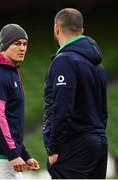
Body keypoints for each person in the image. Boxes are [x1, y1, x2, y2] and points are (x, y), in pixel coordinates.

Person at [43, 8, 108, 179]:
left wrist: (53, 147)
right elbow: (103, 110)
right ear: (82, 31)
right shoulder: (97, 65)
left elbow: (62, 107)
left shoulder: (64, 60)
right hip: (98, 142)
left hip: (74, 146)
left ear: (56, 28)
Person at [0, 24, 40, 179]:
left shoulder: (9, 73)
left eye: (25, 44)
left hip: (5, 157)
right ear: (5, 45)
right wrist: (13, 153)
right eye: (17, 43)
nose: (22, 48)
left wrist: (24, 154)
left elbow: (11, 122)